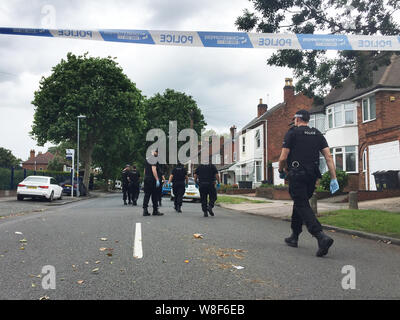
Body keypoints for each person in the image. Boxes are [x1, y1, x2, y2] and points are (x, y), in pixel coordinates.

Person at [278, 109, 339, 257]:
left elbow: (283, 157)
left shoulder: (292, 133)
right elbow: (329, 157)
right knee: (300, 203)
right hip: (312, 176)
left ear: (297, 120)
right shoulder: (318, 134)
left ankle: (320, 236)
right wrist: (333, 177)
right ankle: (294, 236)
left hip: (297, 175)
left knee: (302, 204)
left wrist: (281, 170)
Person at [142, 149, 163, 216]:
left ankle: (145, 210)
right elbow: (153, 170)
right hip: (152, 180)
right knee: (154, 195)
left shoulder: (147, 159)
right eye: (157, 152)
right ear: (155, 153)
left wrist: (144, 178)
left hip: (147, 179)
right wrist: (157, 179)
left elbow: (145, 170)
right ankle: (155, 210)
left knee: (147, 195)